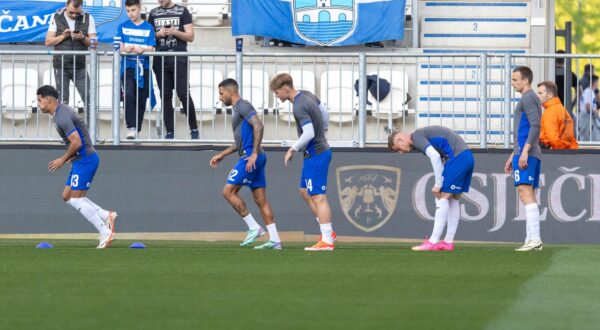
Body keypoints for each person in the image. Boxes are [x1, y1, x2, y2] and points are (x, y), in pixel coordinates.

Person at [36, 85, 117, 249]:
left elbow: (77, 142)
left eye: (39, 100)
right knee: (67, 196)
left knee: (75, 199)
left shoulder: (61, 116)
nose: (38, 104)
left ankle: (105, 232)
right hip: (80, 159)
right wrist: (71, 157)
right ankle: (105, 215)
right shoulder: (60, 113)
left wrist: (62, 159)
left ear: (48, 99)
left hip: (86, 159)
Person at [210, 79, 282, 249]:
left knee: (228, 191)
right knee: (260, 200)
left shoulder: (242, 105)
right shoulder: (238, 109)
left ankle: (254, 227)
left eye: (221, 93)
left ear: (230, 91)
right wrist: (223, 154)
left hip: (251, 157)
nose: (220, 98)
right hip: (255, 156)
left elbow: (259, 125)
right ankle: (275, 240)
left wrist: (254, 153)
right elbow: (241, 141)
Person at [270, 73, 336, 251]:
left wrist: (292, 149)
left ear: (285, 89)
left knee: (318, 197)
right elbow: (324, 111)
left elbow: (309, 134)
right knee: (304, 191)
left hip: (317, 153)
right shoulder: (306, 94)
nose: (276, 96)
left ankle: (327, 240)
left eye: (277, 93)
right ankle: (327, 230)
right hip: (313, 152)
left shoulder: (298, 106)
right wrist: (324, 129)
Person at [388, 126, 474, 251]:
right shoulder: (421, 136)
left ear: (400, 140)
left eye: (398, 149)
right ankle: (448, 243)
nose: (401, 153)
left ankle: (433, 242)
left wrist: (438, 184)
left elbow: (435, 157)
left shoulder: (416, 137)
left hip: (457, 158)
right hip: (467, 157)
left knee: (441, 198)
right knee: (453, 199)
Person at [147, 0, 199, 139]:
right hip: (160, 59)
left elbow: (191, 36)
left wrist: (174, 31)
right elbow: (147, 37)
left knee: (183, 94)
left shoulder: (183, 11)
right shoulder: (153, 13)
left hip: (178, 57)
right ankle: (169, 131)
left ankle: (194, 129)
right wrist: (159, 34)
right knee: (165, 96)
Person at [505, 66, 543, 252]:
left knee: (525, 192)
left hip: (527, 153)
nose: (512, 83)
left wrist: (525, 151)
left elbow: (535, 126)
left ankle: (535, 239)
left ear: (525, 81)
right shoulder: (530, 98)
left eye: (515, 80)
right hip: (524, 151)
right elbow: (526, 129)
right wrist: (514, 153)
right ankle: (530, 239)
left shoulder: (528, 98)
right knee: (528, 192)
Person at [45, 0, 97, 113]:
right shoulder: (56, 17)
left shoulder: (88, 18)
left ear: (82, 8)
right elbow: (48, 41)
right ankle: (64, 130)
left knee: (90, 99)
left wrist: (83, 38)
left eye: (77, 13)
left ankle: (89, 130)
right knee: (62, 102)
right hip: (61, 65)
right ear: (66, 6)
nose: (74, 15)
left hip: (79, 66)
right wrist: (63, 36)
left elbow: (94, 44)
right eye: (71, 12)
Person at [117, 0, 156, 139]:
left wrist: (143, 49)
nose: (130, 14)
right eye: (128, 11)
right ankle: (131, 127)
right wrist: (125, 49)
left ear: (139, 8)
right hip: (127, 67)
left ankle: (137, 129)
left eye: (133, 10)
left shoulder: (149, 27)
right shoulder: (122, 26)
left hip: (143, 68)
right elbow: (118, 48)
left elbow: (151, 49)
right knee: (128, 94)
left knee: (141, 99)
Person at [536, 81, 578, 149]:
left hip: (553, 152)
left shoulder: (550, 112)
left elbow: (552, 138)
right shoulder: (562, 110)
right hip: (569, 151)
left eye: (540, 93)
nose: (537, 96)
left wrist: (559, 151)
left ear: (549, 95)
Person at [577, 75, 600, 142]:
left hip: (585, 118)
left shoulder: (588, 91)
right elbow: (588, 106)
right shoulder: (589, 92)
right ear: (595, 82)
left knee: (585, 137)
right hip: (586, 118)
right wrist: (595, 112)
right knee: (587, 138)